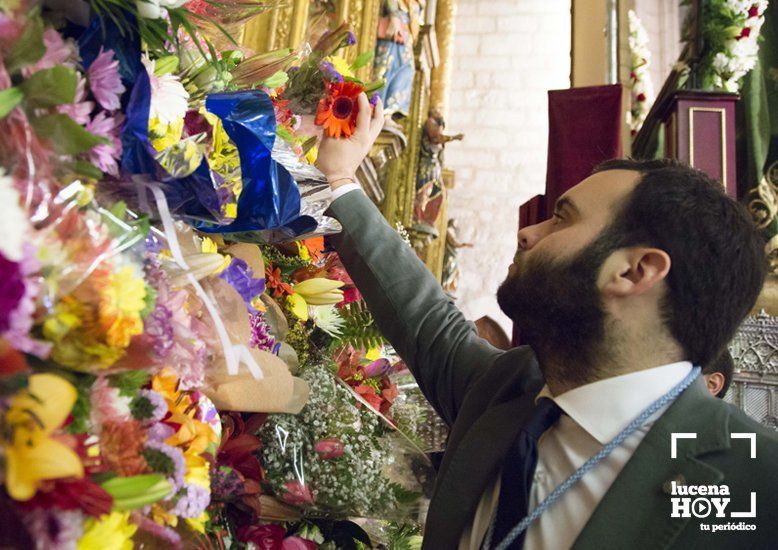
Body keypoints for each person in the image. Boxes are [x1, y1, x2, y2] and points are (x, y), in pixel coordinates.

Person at [316, 94, 778, 549]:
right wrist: (339, 179)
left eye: (562, 219)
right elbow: (426, 320)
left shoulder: (755, 479)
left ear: (633, 272)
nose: (528, 232)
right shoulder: (515, 388)